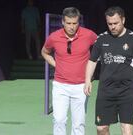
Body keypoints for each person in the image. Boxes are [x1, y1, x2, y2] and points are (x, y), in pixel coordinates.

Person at [84, 7, 133, 135]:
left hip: (127, 91)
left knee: (127, 129)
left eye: (116, 23)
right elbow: (92, 61)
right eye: (110, 24)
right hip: (106, 91)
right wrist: (87, 80)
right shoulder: (101, 39)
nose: (113, 27)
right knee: (101, 129)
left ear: (123, 20)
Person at [41, 7, 97, 135]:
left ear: (79, 22)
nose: (72, 27)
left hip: (82, 86)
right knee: (59, 120)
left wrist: (91, 69)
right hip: (60, 86)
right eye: (68, 23)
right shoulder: (54, 37)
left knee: (79, 123)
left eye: (75, 23)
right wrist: (56, 65)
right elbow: (44, 52)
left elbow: (101, 48)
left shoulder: (89, 34)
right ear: (63, 22)